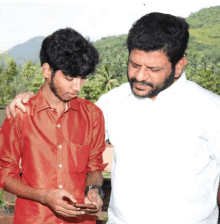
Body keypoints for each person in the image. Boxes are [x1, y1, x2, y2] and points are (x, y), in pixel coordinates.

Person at [4, 12, 220, 224]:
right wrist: (28, 98)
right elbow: (65, 120)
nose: (140, 76)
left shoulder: (211, 109)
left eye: (153, 69)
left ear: (179, 65)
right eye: (134, 64)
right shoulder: (112, 102)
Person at [0, 28, 107, 224]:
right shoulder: (19, 114)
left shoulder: (93, 115)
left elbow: (94, 167)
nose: (77, 87)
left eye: (83, 78)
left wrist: (93, 190)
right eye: (69, 78)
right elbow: (6, 175)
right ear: (47, 70)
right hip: (33, 219)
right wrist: (44, 196)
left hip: (81, 220)